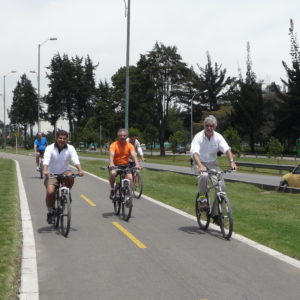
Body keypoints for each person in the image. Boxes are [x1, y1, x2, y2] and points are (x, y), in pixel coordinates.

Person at [190, 115, 237, 222]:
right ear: (204, 126)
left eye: (211, 126)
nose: (209, 128)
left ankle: (215, 214)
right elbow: (195, 153)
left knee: (221, 187)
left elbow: (227, 149)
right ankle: (202, 199)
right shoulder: (198, 137)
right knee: (204, 176)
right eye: (207, 126)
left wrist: (232, 162)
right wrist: (200, 165)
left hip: (212, 164)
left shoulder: (218, 137)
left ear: (215, 127)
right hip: (199, 162)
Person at [43, 130, 84, 224]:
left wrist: (80, 170)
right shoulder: (50, 148)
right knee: (50, 192)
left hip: (65, 171)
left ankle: (67, 192)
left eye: (64, 138)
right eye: (60, 138)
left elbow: (75, 159)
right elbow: (46, 159)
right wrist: (45, 170)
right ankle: (50, 212)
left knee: (71, 176)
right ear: (56, 138)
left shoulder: (70, 148)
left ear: (67, 139)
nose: (62, 140)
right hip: (52, 173)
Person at [109, 128, 141, 200]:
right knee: (113, 173)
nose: (122, 137)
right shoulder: (114, 145)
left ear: (127, 136)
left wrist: (137, 164)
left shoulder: (130, 145)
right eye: (121, 135)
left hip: (125, 165)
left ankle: (127, 193)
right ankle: (112, 189)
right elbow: (111, 154)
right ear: (118, 136)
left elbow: (133, 155)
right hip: (115, 165)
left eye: (124, 135)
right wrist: (111, 163)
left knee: (130, 178)